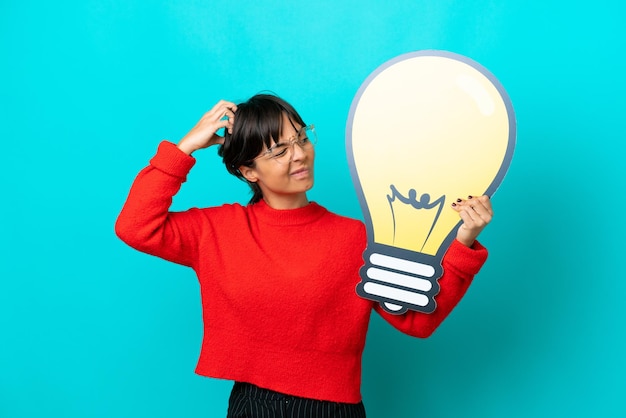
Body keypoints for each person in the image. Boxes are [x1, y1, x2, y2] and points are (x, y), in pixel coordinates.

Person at [115, 94, 493, 417]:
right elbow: (135, 226)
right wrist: (184, 148)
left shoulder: (357, 237)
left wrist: (463, 244)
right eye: (279, 150)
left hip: (336, 408)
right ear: (248, 170)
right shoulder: (217, 230)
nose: (299, 155)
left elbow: (416, 321)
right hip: (254, 404)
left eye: (301, 138)